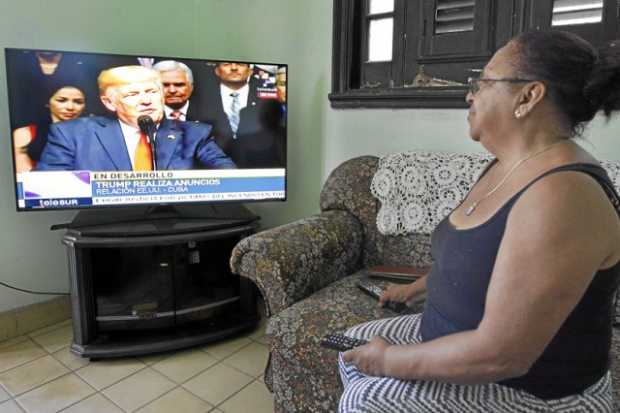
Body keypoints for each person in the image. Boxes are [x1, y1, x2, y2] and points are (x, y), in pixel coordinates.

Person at [338, 31, 620, 412]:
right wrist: (415, 290)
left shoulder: (564, 195)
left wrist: (389, 362)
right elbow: (475, 257)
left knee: (365, 400)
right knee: (349, 348)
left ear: (528, 96)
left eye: (483, 82)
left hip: (534, 390)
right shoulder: (506, 164)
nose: (470, 94)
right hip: (463, 340)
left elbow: (503, 355)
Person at [36, 65, 235, 171]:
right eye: (132, 94)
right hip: (104, 232)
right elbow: (47, 187)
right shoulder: (72, 134)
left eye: (151, 91)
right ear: (109, 103)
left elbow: (230, 177)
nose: (146, 101)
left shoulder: (194, 133)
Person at [201, 62, 285, 168]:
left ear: (250, 71)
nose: (234, 68)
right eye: (227, 64)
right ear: (217, 71)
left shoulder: (270, 100)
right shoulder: (201, 99)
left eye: (240, 65)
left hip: (263, 170)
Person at [13, 84, 86, 172]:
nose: (70, 107)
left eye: (78, 102)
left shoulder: (92, 134)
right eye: (61, 100)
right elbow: (24, 179)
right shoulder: (25, 134)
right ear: (48, 102)